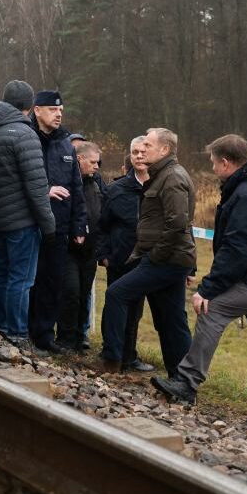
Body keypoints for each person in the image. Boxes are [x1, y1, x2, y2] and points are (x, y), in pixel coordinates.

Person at [152, 134, 247, 435]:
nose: (211, 167)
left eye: (212, 162)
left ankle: (186, 382)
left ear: (225, 162)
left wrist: (207, 288)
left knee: (213, 308)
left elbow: (239, 248)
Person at [99, 127, 195, 374]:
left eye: (149, 146)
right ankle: (181, 377)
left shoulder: (172, 177)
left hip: (166, 259)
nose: (142, 151)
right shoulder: (161, 174)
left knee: (117, 293)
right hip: (167, 258)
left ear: (164, 150)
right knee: (170, 319)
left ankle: (112, 361)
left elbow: (177, 224)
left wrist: (154, 255)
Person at [0, 81, 55, 348]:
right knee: (21, 278)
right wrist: (48, 224)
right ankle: (17, 333)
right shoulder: (24, 135)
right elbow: (36, 185)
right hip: (22, 220)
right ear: (29, 106)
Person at [27, 90, 86, 355]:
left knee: (53, 282)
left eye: (61, 110)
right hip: (30, 223)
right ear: (37, 110)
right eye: (52, 109)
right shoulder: (27, 138)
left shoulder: (65, 144)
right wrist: (44, 191)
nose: (58, 114)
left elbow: (76, 186)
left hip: (59, 227)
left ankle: (44, 335)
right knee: (29, 279)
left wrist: (78, 225)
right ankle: (21, 330)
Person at [95, 137, 155, 372]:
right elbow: (103, 225)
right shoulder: (116, 189)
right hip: (120, 258)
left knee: (136, 312)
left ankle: (129, 357)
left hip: (150, 260)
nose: (139, 156)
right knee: (116, 308)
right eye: (135, 152)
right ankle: (111, 355)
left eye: (143, 152)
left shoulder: (161, 186)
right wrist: (104, 254)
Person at [60, 140, 103, 352]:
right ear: (80, 159)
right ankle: (65, 338)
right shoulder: (67, 183)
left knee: (84, 293)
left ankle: (79, 336)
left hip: (90, 251)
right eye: (93, 162)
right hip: (69, 250)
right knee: (71, 292)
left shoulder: (95, 183)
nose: (97, 166)